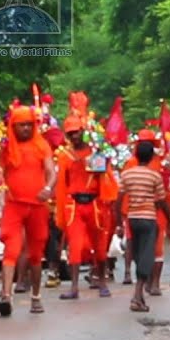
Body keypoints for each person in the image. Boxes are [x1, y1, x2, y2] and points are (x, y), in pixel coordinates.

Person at [0, 106, 56, 316]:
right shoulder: (5, 147)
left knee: (36, 255)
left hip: (38, 207)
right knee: (11, 249)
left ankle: (36, 297)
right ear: (14, 126)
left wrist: (48, 188)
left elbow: (51, 171)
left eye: (30, 125)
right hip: (14, 205)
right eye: (22, 125)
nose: (26, 129)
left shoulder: (41, 145)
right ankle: (6, 295)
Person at [55, 116, 117, 300]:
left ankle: (102, 282)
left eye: (77, 131)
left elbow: (102, 178)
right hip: (74, 205)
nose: (74, 136)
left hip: (94, 205)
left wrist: (101, 161)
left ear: (83, 131)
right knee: (75, 246)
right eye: (71, 133)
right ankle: (74, 288)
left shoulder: (94, 152)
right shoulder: (64, 156)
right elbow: (62, 184)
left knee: (99, 245)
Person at [116, 139, 170, 312]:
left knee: (138, 255)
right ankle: (136, 295)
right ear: (152, 156)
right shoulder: (154, 176)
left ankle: (139, 297)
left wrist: (119, 221)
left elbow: (118, 200)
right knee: (147, 256)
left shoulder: (127, 174)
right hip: (148, 218)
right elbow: (161, 200)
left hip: (132, 218)